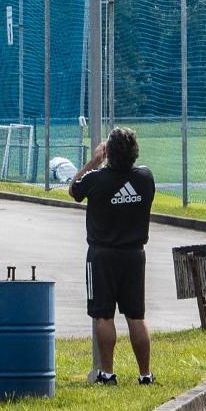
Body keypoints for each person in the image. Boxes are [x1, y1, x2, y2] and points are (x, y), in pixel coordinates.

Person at [68, 126, 156, 385]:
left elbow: (74, 190)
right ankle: (144, 374)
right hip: (134, 255)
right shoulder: (145, 178)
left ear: (108, 152)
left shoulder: (97, 179)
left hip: (102, 255)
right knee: (136, 316)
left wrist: (94, 162)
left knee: (104, 315)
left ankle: (107, 373)